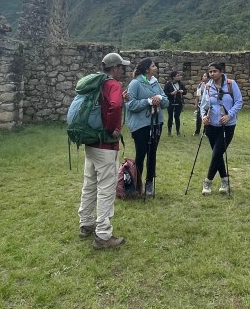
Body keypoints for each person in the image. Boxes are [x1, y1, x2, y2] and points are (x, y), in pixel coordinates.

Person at [77, 51, 130, 249]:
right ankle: (103, 235)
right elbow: (114, 106)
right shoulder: (113, 84)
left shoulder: (97, 83)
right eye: (121, 67)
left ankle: (86, 223)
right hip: (106, 146)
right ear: (114, 68)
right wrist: (111, 129)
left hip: (91, 142)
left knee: (89, 184)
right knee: (106, 190)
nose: (123, 71)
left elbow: (105, 104)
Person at [126, 58, 169, 197]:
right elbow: (130, 105)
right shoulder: (135, 83)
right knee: (141, 154)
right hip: (140, 125)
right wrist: (148, 101)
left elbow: (166, 102)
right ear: (146, 69)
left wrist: (160, 99)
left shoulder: (156, 83)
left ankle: (149, 183)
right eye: (153, 66)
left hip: (156, 123)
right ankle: (137, 184)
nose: (156, 67)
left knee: (152, 153)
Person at [200, 62, 243, 194]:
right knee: (217, 154)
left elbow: (239, 101)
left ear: (221, 72)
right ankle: (225, 180)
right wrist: (203, 116)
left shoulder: (231, 84)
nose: (212, 74)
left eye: (215, 71)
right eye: (210, 72)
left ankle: (207, 182)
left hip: (227, 125)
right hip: (211, 125)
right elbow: (203, 105)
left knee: (217, 153)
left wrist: (229, 115)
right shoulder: (208, 87)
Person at [164, 70, 187, 136]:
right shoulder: (168, 84)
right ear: (173, 77)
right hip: (170, 102)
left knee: (177, 117)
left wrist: (182, 91)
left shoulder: (180, 84)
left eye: (179, 75)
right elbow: (165, 93)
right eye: (177, 76)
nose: (179, 77)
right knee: (170, 117)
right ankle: (169, 132)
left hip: (178, 102)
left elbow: (185, 91)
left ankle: (178, 132)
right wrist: (171, 93)